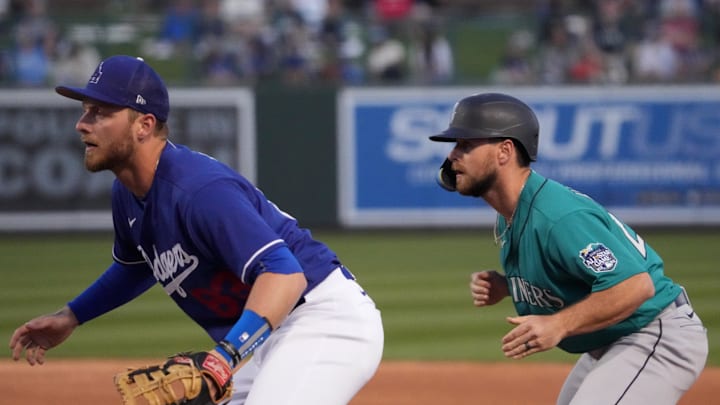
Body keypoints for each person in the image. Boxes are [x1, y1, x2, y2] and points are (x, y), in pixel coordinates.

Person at [9, 55, 384, 405]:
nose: (82, 123)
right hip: (260, 334)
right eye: (85, 110)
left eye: (101, 112)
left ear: (144, 124)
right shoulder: (126, 194)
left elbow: (285, 276)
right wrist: (71, 315)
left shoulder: (199, 191)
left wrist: (223, 360)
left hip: (320, 318)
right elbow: (137, 265)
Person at [429, 92, 708, 404]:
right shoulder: (513, 213)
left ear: (504, 151)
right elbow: (567, 274)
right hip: (616, 337)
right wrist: (508, 286)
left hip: (654, 332)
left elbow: (636, 286)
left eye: (466, 144)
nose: (453, 155)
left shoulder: (556, 216)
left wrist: (558, 324)